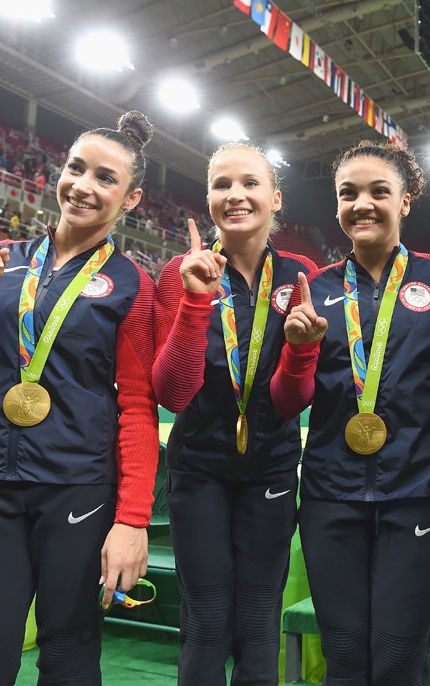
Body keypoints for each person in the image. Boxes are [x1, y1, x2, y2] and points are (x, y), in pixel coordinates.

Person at [0, 111, 160, 685]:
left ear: (131, 200)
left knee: (70, 662)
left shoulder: (131, 284)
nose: (83, 185)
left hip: (77, 493)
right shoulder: (0, 261)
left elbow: (138, 408)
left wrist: (131, 520)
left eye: (106, 178)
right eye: (76, 168)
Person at [271, 141, 430, 684]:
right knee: (346, 659)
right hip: (332, 498)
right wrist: (300, 350)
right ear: (336, 205)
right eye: (348, 193)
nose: (363, 204)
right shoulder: (314, 290)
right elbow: (286, 403)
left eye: (380, 191)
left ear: (405, 201)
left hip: (416, 495)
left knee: (400, 660)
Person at [152, 143, 317, 685]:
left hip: (269, 470)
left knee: (258, 621)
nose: (235, 195)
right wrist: (196, 300)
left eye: (250, 183)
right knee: (206, 623)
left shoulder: (301, 277)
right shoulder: (179, 273)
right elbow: (171, 394)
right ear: (208, 199)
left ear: (275, 198)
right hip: (197, 469)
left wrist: (298, 350)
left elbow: (296, 396)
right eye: (222, 185)